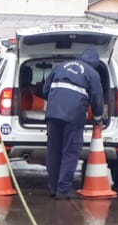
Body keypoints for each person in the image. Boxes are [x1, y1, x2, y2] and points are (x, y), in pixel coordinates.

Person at [44, 46, 105, 199]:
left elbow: (45, 90)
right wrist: (98, 119)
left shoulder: (60, 66)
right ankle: (63, 190)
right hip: (73, 116)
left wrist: (55, 102)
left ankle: (52, 187)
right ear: (95, 63)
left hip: (53, 114)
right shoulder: (93, 73)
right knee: (70, 152)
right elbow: (98, 100)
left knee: (54, 150)